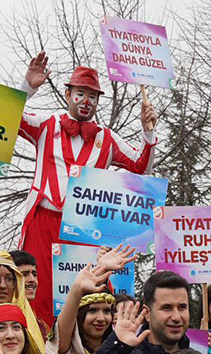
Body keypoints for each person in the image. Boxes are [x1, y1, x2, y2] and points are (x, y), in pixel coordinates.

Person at [16, 55, 158, 326]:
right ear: (68, 94)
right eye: (80, 93)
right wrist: (27, 86)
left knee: (87, 291)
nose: (86, 101)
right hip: (43, 220)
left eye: (92, 96)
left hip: (83, 227)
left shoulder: (107, 138)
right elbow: (8, 116)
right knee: (36, 288)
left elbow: (141, 166)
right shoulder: (46, 123)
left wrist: (148, 133)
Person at [49, 248, 132, 354]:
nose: (101, 318)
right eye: (92, 311)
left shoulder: (119, 347)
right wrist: (77, 288)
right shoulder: (72, 349)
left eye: (106, 311)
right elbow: (62, 331)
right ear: (79, 314)